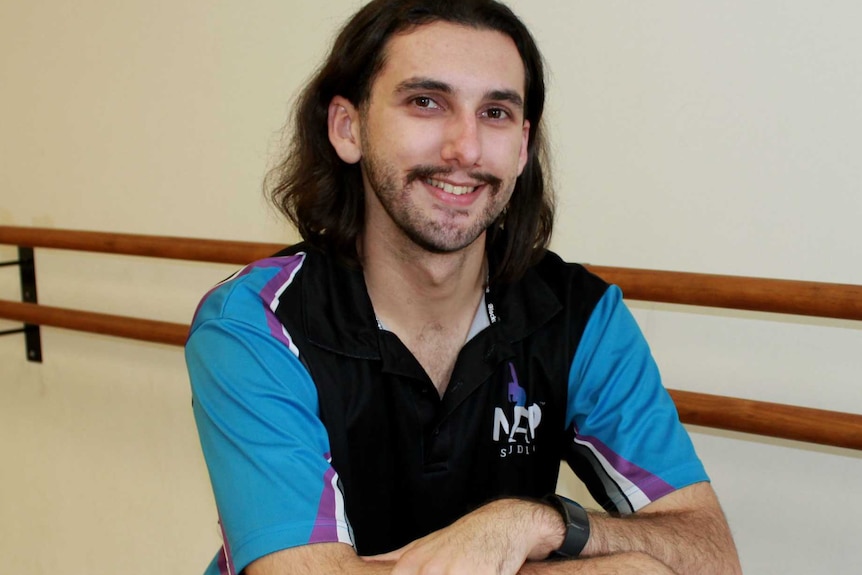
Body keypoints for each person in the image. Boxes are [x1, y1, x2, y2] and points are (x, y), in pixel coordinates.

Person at [186, 1, 742, 573]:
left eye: (496, 112)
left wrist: (533, 522)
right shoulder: (256, 323)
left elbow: (713, 556)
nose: (466, 149)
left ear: (522, 147)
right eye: (426, 103)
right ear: (347, 128)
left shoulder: (581, 317)